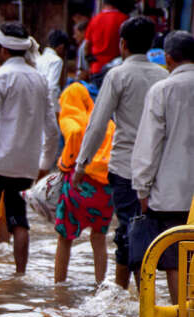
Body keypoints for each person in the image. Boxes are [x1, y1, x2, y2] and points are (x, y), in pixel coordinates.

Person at [72, 16, 166, 291]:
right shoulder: (163, 76)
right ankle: (130, 298)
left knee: (129, 232)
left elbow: (97, 124)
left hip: (125, 168)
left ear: (123, 44)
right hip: (159, 170)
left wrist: (81, 165)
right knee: (141, 233)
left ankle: (134, 298)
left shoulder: (117, 75)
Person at [0, 22, 59, 273]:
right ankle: (20, 275)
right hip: (27, 164)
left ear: (3, 50)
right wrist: (44, 165)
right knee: (19, 220)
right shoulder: (40, 79)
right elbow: (52, 130)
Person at [129, 31, 194, 303]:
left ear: (168, 59)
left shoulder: (162, 90)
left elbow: (148, 144)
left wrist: (142, 189)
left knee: (174, 261)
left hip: (170, 195)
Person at [53, 83, 115, 285]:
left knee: (65, 238)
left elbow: (74, 133)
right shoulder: (107, 122)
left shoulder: (72, 118)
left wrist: (64, 164)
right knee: (99, 238)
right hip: (105, 189)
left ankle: (59, 285)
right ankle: (100, 285)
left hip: (80, 184)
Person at [85, 0, 129, 85]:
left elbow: (86, 46)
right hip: (118, 67)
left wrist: (90, 61)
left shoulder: (95, 19)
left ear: (104, 3)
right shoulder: (124, 19)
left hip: (97, 68)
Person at [37, 29, 70, 121]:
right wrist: (55, 110)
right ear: (61, 47)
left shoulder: (39, 59)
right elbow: (52, 86)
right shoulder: (57, 61)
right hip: (48, 103)